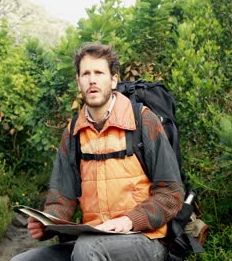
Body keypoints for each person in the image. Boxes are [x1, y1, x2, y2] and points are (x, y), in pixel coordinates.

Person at [12, 42, 185, 261]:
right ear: (78, 82)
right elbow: (61, 200)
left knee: (87, 250)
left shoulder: (143, 121)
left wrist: (130, 220)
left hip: (145, 240)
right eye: (85, 74)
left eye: (99, 73)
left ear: (113, 79)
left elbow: (171, 194)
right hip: (92, 239)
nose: (92, 80)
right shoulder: (73, 132)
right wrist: (48, 224)